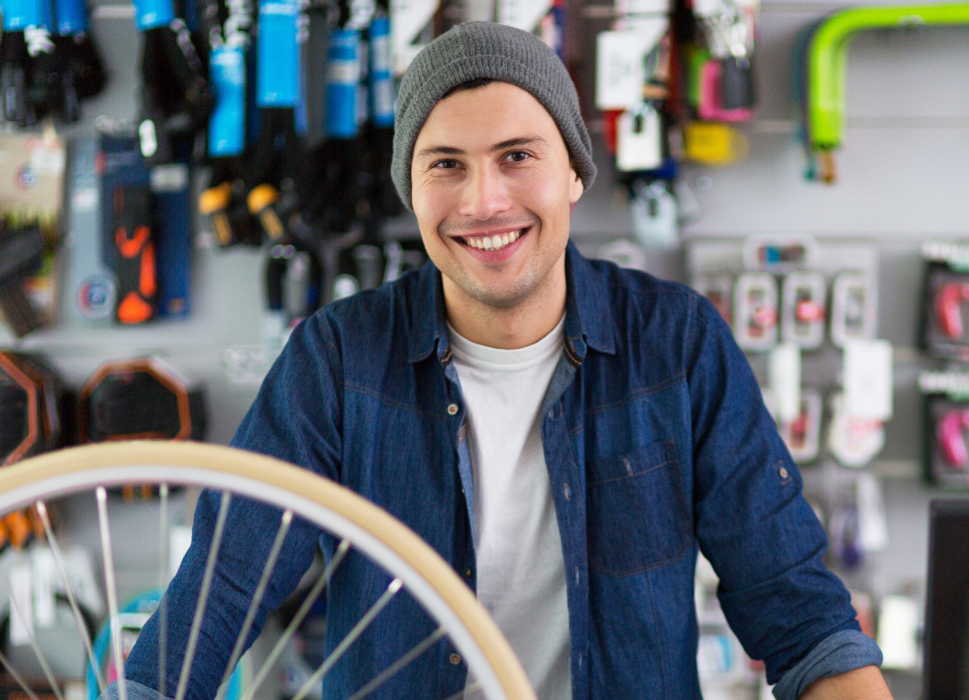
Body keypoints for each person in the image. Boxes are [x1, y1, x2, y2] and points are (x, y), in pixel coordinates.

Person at [109, 21, 891, 700]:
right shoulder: (339, 358)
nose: (483, 201)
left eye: (517, 155)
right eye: (445, 164)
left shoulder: (676, 341)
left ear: (575, 172)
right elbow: (225, 584)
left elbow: (798, 614)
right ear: (411, 190)